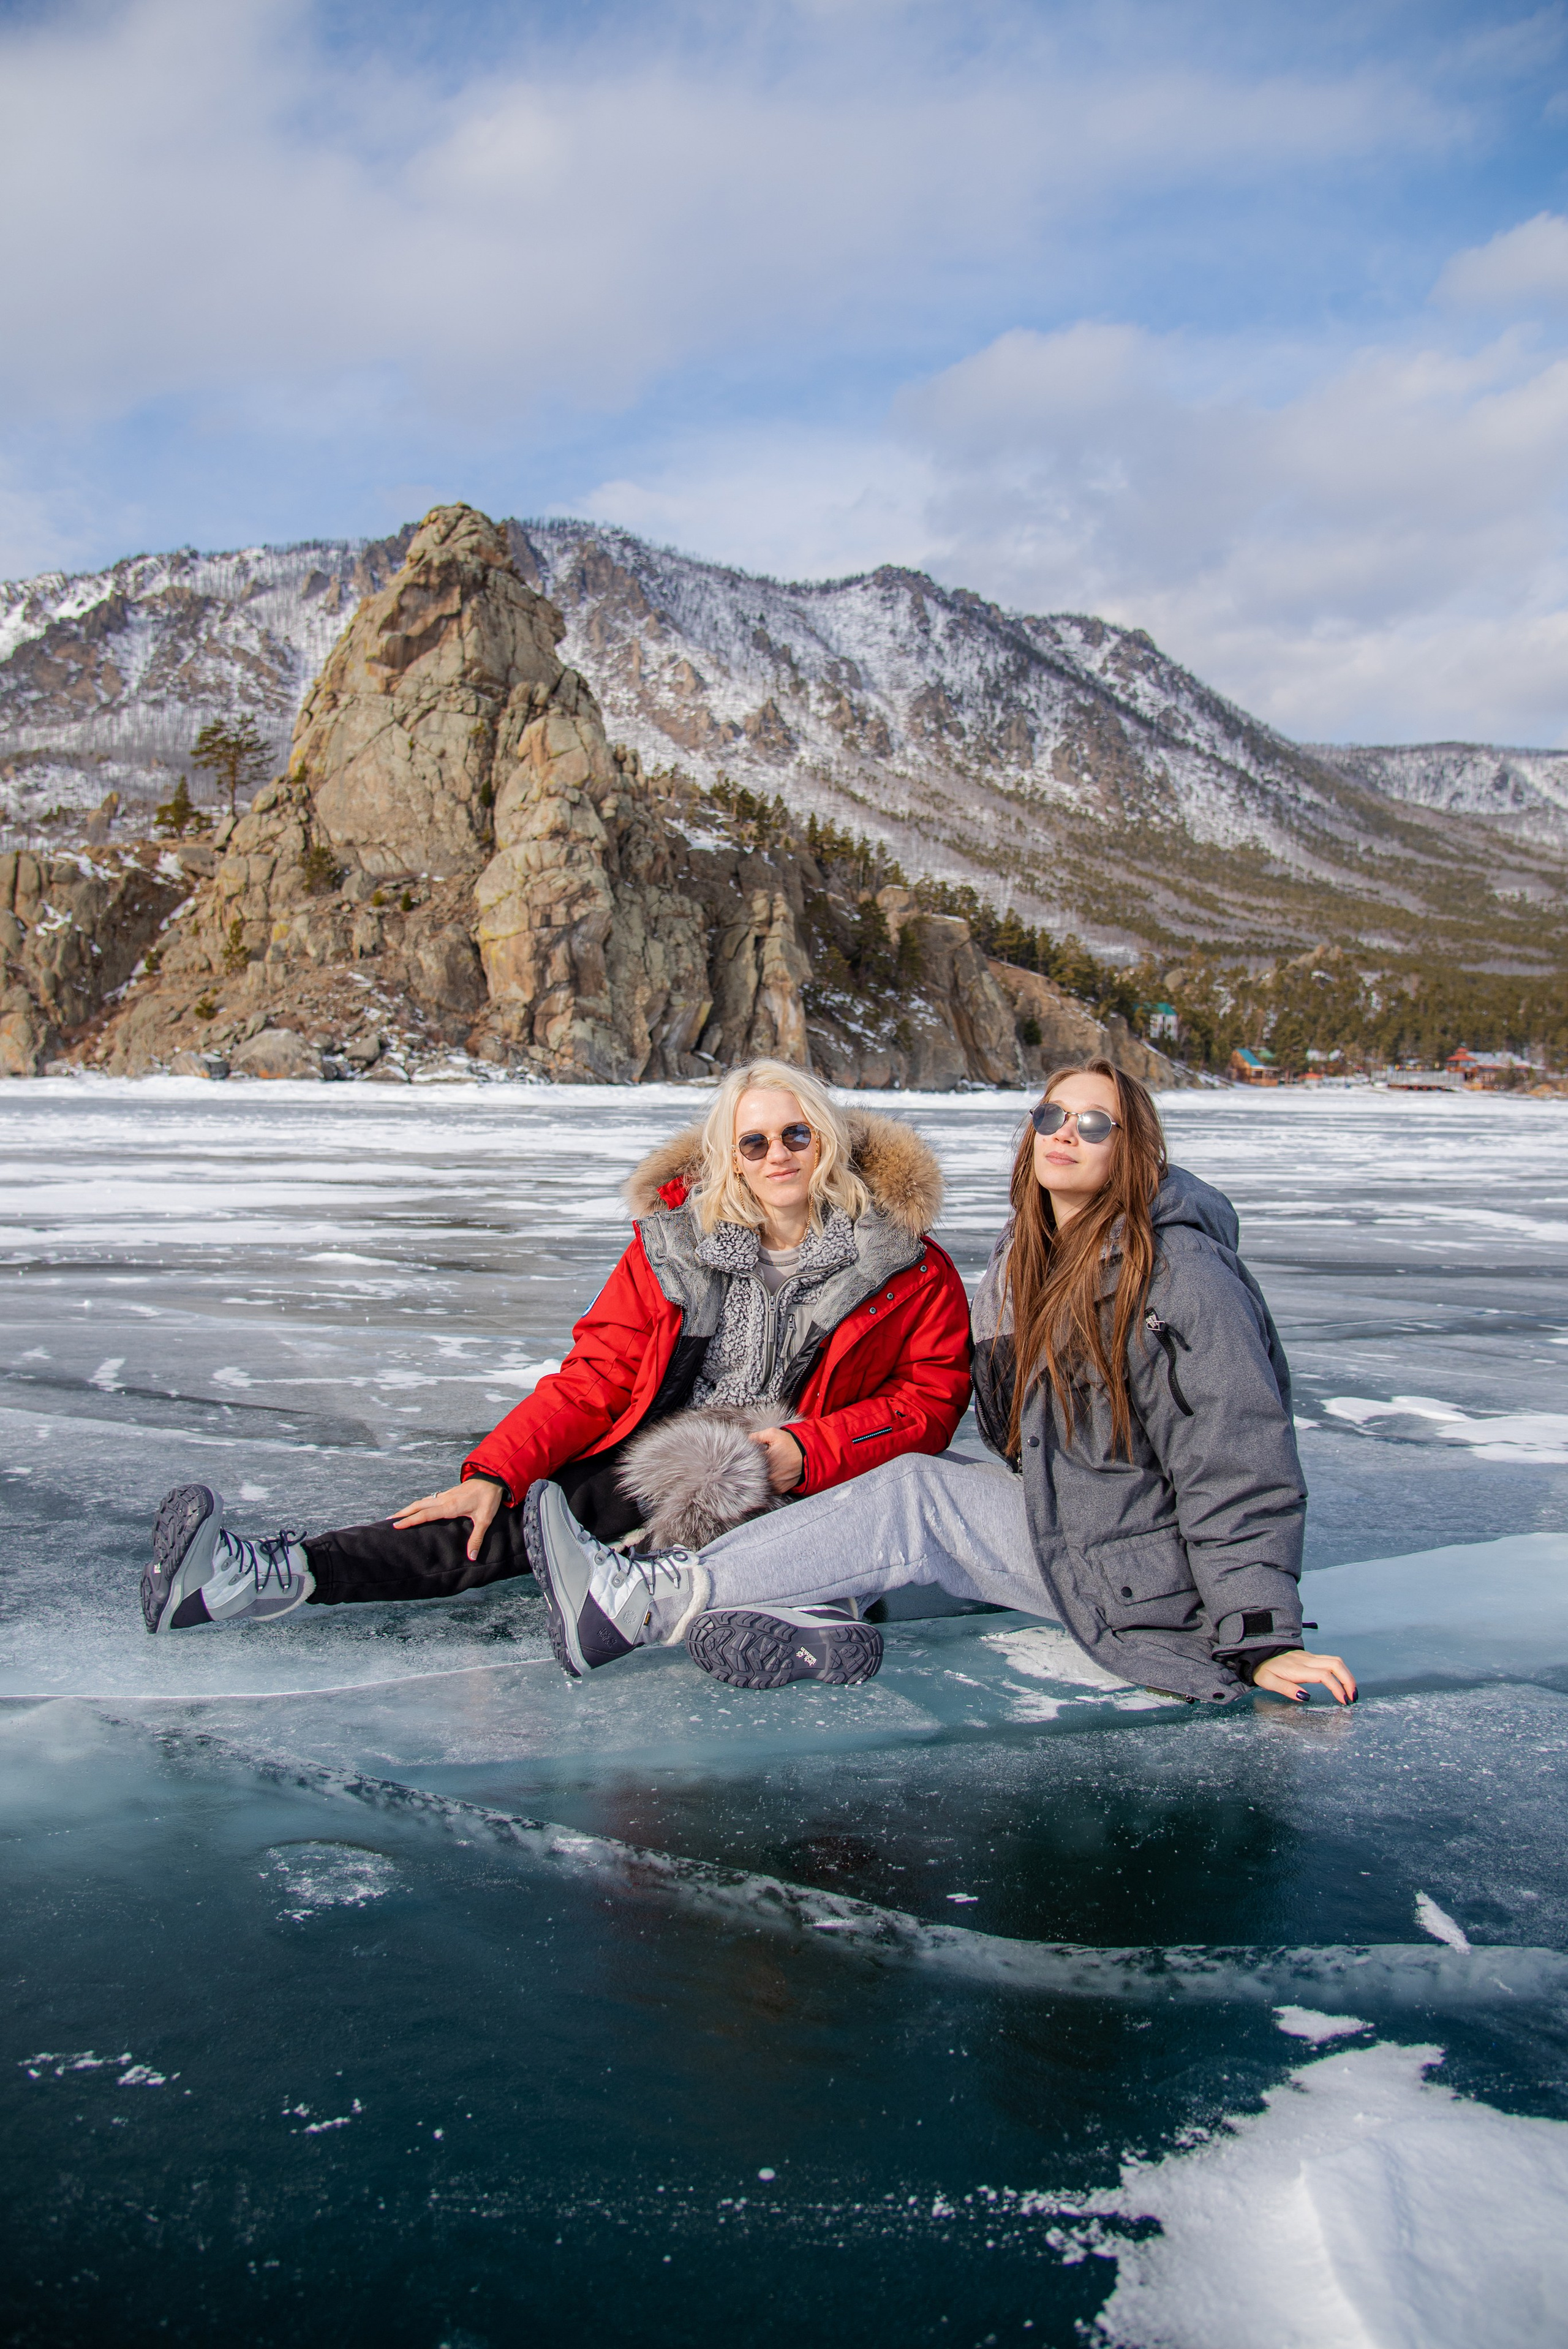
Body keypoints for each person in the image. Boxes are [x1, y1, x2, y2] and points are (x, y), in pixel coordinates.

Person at [524, 1058, 1356, 1706]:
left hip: (1158, 1578)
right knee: (894, 1481)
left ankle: (644, 1603)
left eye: (1093, 1124)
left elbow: (1238, 1459)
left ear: (1134, 1150)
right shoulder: (1028, 1261)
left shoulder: (1182, 1278)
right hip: (1101, 1528)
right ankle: (803, 1608)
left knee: (919, 1495)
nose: (1063, 1133)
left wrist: (1259, 1634)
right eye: (1050, 1115)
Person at [140, 1060, 972, 1685]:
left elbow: (929, 1402)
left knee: (748, 1535)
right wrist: (496, 1469)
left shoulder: (906, 1264)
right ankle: (254, 1580)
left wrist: (806, 1450)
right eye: (755, 1141)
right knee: (497, 1521)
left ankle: (790, 1617)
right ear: (731, 1156)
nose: (778, 1155)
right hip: (675, 1448)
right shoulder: (673, 1248)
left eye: (797, 1134)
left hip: (818, 1468)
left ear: (825, 1136)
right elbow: (597, 1377)